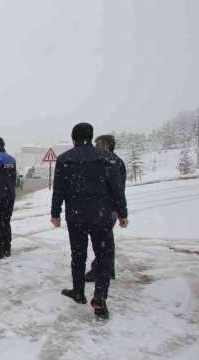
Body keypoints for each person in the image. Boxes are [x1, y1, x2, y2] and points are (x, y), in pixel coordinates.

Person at [50, 123, 128, 319]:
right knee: (104, 257)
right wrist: (123, 213)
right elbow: (117, 189)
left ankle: (78, 291)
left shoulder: (64, 159)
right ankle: (100, 298)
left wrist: (55, 213)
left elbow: (58, 189)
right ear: (91, 137)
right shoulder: (108, 159)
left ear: (73, 138)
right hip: (101, 217)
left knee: (78, 254)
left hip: (76, 216)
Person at [85, 135, 127, 283]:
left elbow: (118, 189)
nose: (95, 146)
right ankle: (106, 270)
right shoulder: (111, 161)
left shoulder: (113, 162)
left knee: (103, 240)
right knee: (105, 239)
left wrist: (120, 212)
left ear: (107, 145)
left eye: (98, 144)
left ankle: (101, 271)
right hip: (105, 208)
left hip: (109, 209)